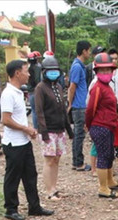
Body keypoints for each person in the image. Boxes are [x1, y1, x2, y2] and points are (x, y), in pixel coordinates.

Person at [1, 59, 54, 220]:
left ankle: (34, 206)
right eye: (26, 71)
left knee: (30, 174)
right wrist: (26, 129)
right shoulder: (8, 93)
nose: (29, 74)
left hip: (23, 142)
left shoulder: (18, 92)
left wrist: (27, 131)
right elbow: (6, 120)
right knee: (13, 176)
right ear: (17, 73)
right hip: (13, 143)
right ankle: (11, 208)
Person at [34, 55, 73, 200]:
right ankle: (49, 191)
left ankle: (54, 187)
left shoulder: (58, 87)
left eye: (55, 70)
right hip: (48, 130)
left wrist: (68, 129)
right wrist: (43, 131)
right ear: (43, 72)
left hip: (59, 130)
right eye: (50, 71)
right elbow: (39, 111)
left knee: (57, 159)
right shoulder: (40, 88)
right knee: (49, 160)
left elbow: (63, 109)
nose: (53, 73)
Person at [86, 52, 118, 199]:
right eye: (102, 70)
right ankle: (103, 188)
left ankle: (110, 181)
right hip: (100, 126)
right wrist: (89, 125)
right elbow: (90, 109)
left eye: (108, 70)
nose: (105, 72)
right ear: (97, 71)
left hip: (109, 126)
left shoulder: (107, 86)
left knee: (109, 155)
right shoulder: (98, 88)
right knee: (102, 155)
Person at [67, 41, 91, 171]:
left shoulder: (81, 66)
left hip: (81, 104)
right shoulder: (77, 66)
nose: (89, 53)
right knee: (79, 134)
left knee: (80, 133)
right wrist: (70, 104)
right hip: (79, 105)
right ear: (84, 51)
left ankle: (77, 161)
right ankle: (78, 162)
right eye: (88, 50)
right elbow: (72, 86)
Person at [27, 52, 42, 133]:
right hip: (36, 91)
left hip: (30, 91)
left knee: (33, 110)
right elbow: (38, 80)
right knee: (38, 110)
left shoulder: (28, 68)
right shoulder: (37, 67)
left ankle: (35, 127)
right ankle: (38, 127)